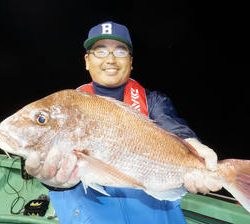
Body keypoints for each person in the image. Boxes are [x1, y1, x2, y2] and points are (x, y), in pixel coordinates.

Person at [25, 21, 222, 224]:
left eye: (120, 51)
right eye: (100, 51)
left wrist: (195, 148)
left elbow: (171, 125)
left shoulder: (152, 101)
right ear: (86, 60)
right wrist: (55, 183)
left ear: (131, 61)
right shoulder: (70, 110)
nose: (110, 59)